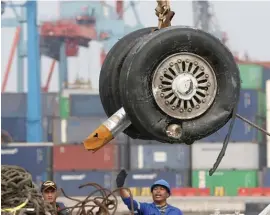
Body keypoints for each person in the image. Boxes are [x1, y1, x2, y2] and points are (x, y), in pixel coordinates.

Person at [116, 169, 183, 215]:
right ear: (152, 193)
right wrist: (121, 187)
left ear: (168, 194)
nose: (158, 191)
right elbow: (130, 202)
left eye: (162, 189)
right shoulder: (145, 208)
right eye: (155, 189)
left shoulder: (176, 212)